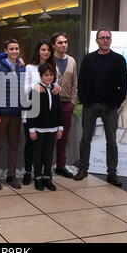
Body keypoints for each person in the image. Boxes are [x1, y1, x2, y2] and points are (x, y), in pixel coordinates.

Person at [76, 29, 127, 187]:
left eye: (108, 38)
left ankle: (112, 173)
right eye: (102, 38)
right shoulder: (88, 59)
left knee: (112, 141)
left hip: (109, 106)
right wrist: (86, 101)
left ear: (110, 40)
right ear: (97, 40)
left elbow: (124, 85)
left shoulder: (119, 59)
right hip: (91, 105)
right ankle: (83, 169)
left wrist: (114, 103)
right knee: (85, 139)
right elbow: (81, 83)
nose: (105, 40)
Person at [22, 39, 60, 185]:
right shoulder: (30, 67)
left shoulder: (53, 68)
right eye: (43, 49)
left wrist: (59, 87)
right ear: (38, 51)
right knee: (31, 144)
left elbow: (54, 84)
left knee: (45, 148)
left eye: (48, 50)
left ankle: (43, 175)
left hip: (47, 117)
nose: (46, 52)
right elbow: (25, 89)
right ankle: (27, 171)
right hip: (31, 113)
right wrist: (35, 86)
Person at [0, 39, 26, 190]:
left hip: (16, 113)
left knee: (14, 144)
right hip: (2, 113)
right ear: (5, 51)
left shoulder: (22, 68)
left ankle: (11, 176)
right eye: (11, 49)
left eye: (16, 49)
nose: (14, 51)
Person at [27, 63, 63, 191]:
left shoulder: (55, 89)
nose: (49, 77)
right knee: (38, 154)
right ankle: (37, 178)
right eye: (46, 75)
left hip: (53, 128)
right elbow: (30, 110)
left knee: (48, 154)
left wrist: (60, 127)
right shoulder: (36, 90)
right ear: (40, 76)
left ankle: (48, 178)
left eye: (51, 75)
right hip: (39, 129)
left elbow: (59, 109)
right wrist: (32, 129)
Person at [52, 32, 77, 179]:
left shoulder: (72, 61)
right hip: (51, 103)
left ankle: (61, 166)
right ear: (54, 44)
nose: (63, 45)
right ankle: (45, 167)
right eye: (60, 42)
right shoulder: (49, 59)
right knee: (48, 136)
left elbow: (75, 82)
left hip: (67, 103)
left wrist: (73, 101)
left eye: (65, 42)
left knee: (63, 137)